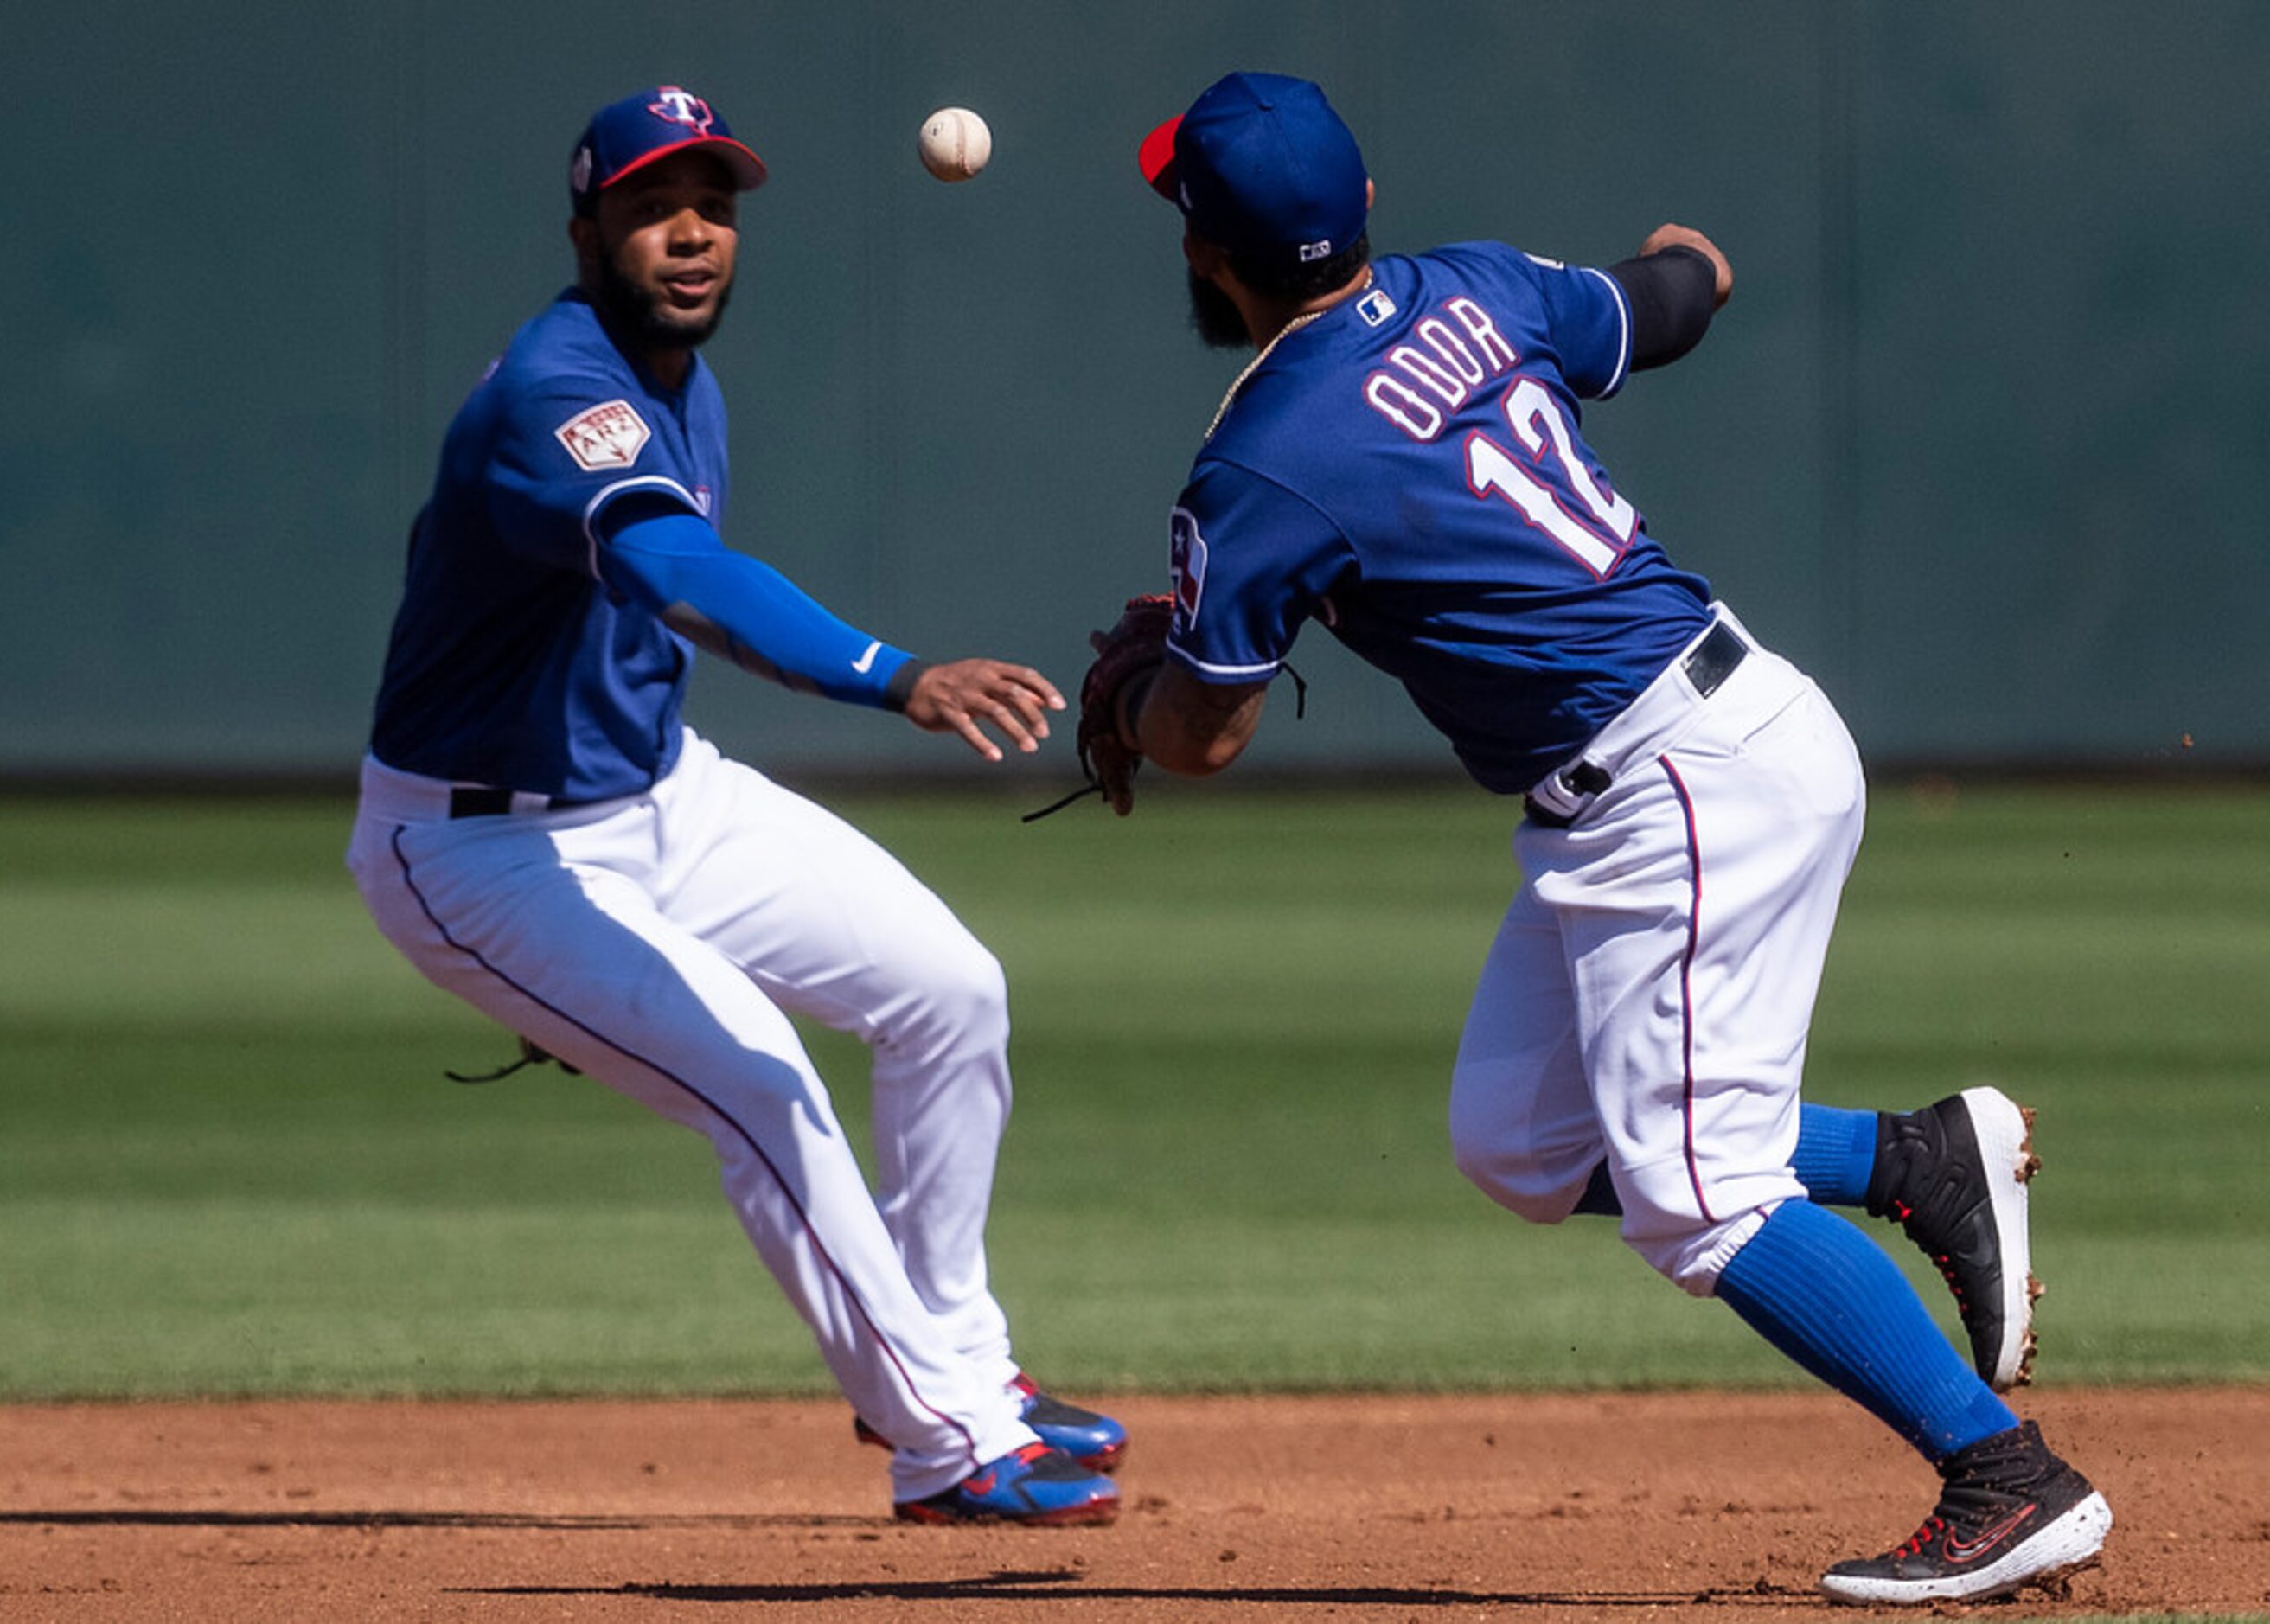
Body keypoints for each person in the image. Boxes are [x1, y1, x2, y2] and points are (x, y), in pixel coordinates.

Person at [1092, 70, 2108, 1602]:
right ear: (1363, 208)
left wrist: (1135, 691)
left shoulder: (1260, 461)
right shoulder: (1479, 291)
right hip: (1705, 739)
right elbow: (1682, 287)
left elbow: (1205, 735)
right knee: (1522, 1141)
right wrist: (1684, 256)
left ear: (1200, 250)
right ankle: (1917, 1159)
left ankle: (2007, 1478)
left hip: (1676, 783)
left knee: (1701, 1198)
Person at [345, 84, 1123, 1527]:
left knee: (952, 990)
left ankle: (957, 1358)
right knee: (762, 1083)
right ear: (587, 229)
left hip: (660, 796)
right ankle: (944, 1440)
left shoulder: (679, 375)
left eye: (713, 204)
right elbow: (683, 581)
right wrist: (894, 675)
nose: (691, 234)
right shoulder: (556, 395)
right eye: (651, 206)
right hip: (477, 843)